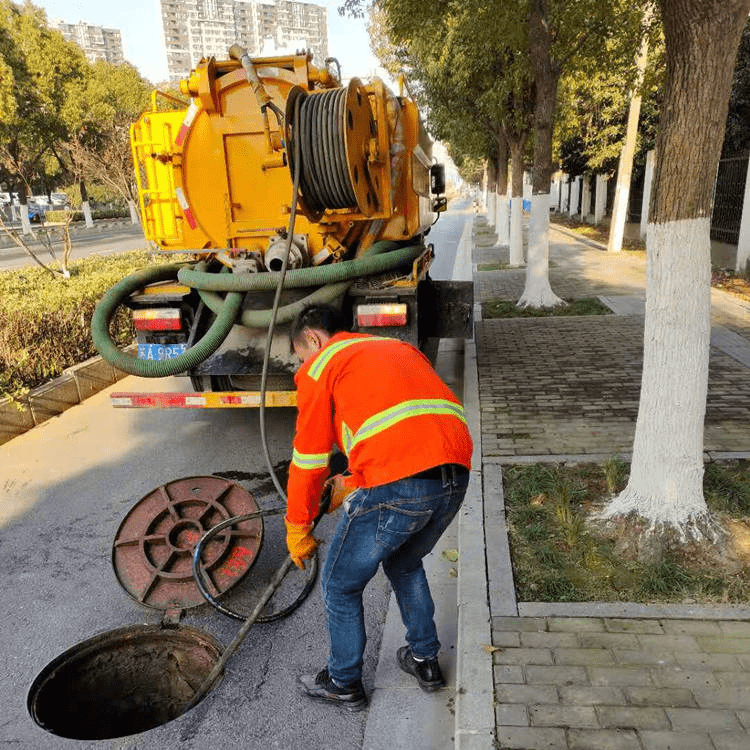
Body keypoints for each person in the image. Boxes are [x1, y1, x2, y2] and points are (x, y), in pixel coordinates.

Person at [285, 304, 473, 711]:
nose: (304, 365)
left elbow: (309, 458)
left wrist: (298, 526)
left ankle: (343, 682)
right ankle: (425, 661)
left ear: (313, 340)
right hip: (455, 475)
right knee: (404, 563)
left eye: (302, 355)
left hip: (399, 483)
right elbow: (401, 428)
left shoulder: (323, 364)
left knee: (340, 584)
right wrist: (351, 483)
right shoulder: (397, 349)